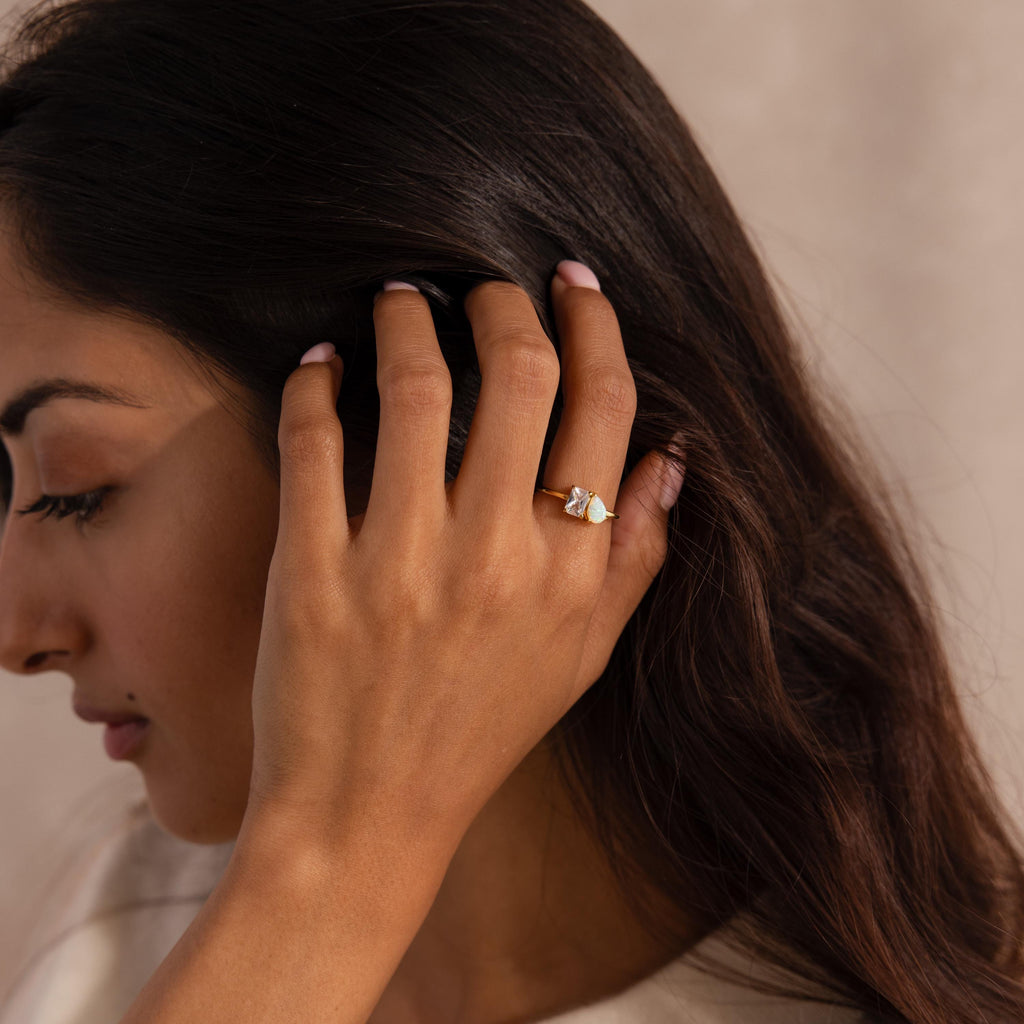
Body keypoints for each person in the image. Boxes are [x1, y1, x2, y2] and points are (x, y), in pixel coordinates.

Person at [0, 0, 1020, 1020]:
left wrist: (328, 861)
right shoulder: (133, 926)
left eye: (77, 488)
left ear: (446, 425)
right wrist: (323, 866)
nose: (16, 635)